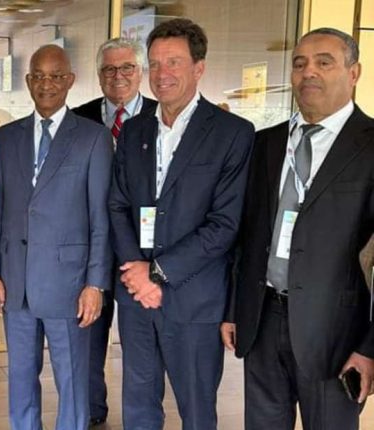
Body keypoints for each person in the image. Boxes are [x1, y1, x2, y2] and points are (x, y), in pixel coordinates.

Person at [222, 28, 374, 429]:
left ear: (354, 72)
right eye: (300, 63)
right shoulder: (266, 143)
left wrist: (370, 347)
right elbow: (247, 237)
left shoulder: (370, 145)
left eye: (324, 62)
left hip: (337, 335)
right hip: (262, 321)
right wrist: (234, 309)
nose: (309, 72)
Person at [108, 18, 254, 430]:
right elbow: (118, 205)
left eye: (173, 62)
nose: (162, 74)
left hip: (194, 299)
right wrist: (136, 273)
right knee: (138, 405)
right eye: (154, 64)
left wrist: (156, 273)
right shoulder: (134, 129)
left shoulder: (232, 133)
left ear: (199, 68)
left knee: (196, 409)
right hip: (136, 299)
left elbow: (225, 224)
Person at [0, 44, 112, 430]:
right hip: (16, 280)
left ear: (70, 80)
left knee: (71, 380)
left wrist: (95, 284)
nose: (47, 84)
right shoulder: (6, 137)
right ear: (27, 81)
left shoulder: (93, 138)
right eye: (38, 76)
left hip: (69, 283)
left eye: (56, 76)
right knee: (20, 377)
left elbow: (100, 218)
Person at [71, 36, 156, 427]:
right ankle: (92, 410)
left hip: (142, 253)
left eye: (126, 68)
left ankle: (141, 418)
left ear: (140, 72)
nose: (117, 76)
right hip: (91, 248)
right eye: (108, 69)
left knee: (141, 344)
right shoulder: (78, 119)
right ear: (98, 74)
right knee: (88, 336)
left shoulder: (161, 116)